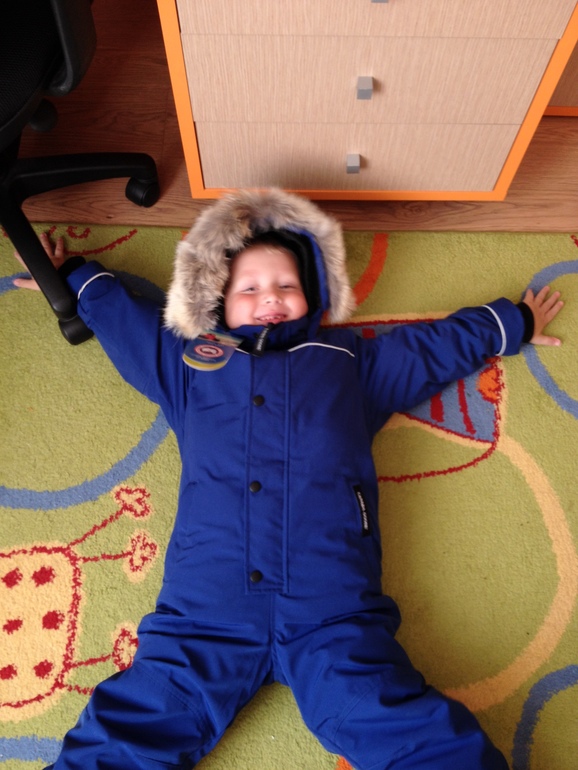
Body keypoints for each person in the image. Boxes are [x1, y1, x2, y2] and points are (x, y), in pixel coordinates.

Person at [14, 188, 563, 770]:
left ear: (314, 296)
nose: (269, 298)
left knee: (388, 717)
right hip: (207, 609)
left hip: (330, 607)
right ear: (219, 303)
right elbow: (130, 327)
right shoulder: (193, 363)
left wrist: (509, 322)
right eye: (249, 289)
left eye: (286, 285)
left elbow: (428, 350)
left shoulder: (348, 363)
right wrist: (71, 276)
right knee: (138, 721)